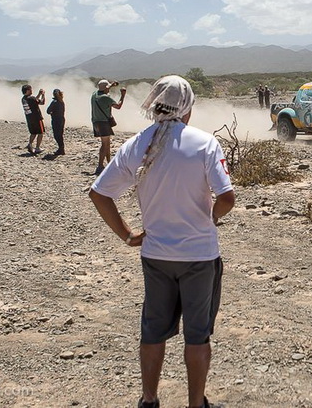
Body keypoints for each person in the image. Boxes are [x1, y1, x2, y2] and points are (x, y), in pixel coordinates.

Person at [88, 75, 235, 408]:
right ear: (187, 107)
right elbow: (227, 198)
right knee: (197, 337)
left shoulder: (136, 144)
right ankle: (196, 404)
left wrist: (127, 235)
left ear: (155, 104)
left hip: (155, 255)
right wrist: (210, 218)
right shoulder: (204, 143)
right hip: (199, 257)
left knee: (153, 331)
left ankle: (149, 399)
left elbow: (99, 194)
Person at [91, 79, 125, 175]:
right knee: (105, 144)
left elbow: (104, 88)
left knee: (107, 143)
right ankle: (100, 166)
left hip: (96, 121)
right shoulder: (105, 98)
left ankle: (109, 162)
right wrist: (123, 95)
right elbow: (118, 106)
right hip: (103, 123)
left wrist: (112, 85)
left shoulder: (94, 94)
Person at [21, 84, 45, 154]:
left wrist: (39, 94)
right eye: (30, 89)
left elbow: (34, 100)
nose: (32, 90)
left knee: (33, 133)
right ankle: (37, 148)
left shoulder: (24, 99)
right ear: (28, 90)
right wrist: (43, 95)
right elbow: (42, 102)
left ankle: (30, 144)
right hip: (37, 118)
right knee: (40, 133)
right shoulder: (31, 98)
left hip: (29, 119)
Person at [46, 88, 66, 155]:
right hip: (61, 119)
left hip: (56, 120)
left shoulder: (54, 102)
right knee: (60, 135)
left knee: (56, 135)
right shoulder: (61, 101)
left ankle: (61, 149)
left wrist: (52, 113)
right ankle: (61, 148)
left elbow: (48, 111)